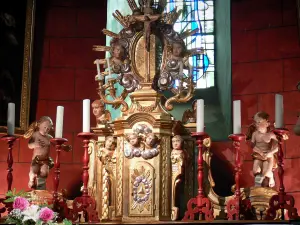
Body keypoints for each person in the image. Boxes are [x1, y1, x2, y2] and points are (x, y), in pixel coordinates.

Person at [24, 116, 71, 189]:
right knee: (33, 171)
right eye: (44, 127)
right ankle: (31, 181)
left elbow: (57, 144)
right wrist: (34, 144)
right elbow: (29, 145)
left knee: (44, 172)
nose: (46, 130)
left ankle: (41, 188)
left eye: (48, 128)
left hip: (45, 160)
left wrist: (65, 147)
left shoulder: (49, 137)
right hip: (36, 159)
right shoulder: (35, 135)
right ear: (39, 125)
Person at [246, 112, 278, 188]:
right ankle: (258, 186)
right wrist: (260, 152)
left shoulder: (270, 135)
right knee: (255, 171)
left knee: (266, 173)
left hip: (268, 156)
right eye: (255, 122)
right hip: (258, 154)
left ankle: (271, 177)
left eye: (259, 122)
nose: (256, 124)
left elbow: (278, 145)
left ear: (267, 123)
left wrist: (271, 152)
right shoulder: (255, 134)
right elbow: (252, 146)